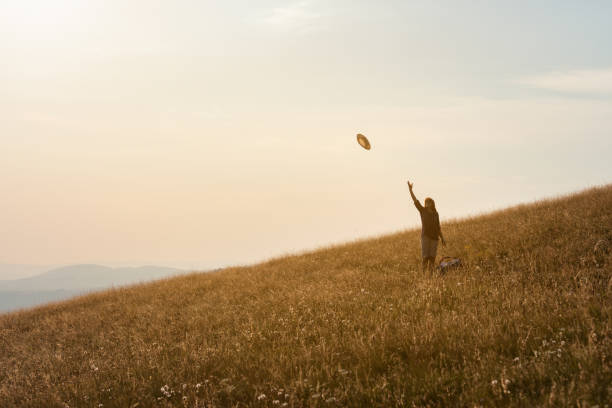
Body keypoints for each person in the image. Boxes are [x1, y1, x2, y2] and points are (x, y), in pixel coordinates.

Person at [407, 180, 446, 273]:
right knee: (425, 257)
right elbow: (415, 200)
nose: (427, 203)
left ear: (432, 203)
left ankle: (431, 275)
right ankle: (424, 275)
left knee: (432, 258)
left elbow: (438, 227)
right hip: (425, 237)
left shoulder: (436, 214)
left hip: (435, 238)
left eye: (429, 202)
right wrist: (410, 190)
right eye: (426, 202)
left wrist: (442, 238)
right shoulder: (422, 210)